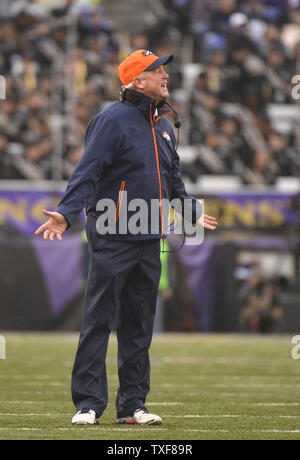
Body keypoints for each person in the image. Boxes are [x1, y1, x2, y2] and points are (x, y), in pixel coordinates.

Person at [35, 49, 218, 426]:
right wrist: (67, 214)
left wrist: (187, 210)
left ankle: (133, 405)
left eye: (165, 70)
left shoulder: (165, 125)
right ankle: (87, 404)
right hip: (112, 236)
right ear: (138, 81)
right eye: (157, 71)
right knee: (99, 320)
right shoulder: (111, 120)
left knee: (139, 325)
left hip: (149, 236)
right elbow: (88, 170)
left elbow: (173, 180)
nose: (165, 76)